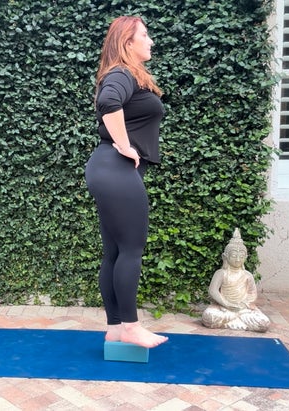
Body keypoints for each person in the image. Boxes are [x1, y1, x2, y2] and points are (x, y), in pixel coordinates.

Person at [85, 16, 168, 349]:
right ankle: (131, 327)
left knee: (115, 253)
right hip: (115, 167)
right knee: (131, 251)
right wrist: (124, 145)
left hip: (107, 169)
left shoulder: (129, 76)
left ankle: (116, 327)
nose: (151, 41)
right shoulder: (121, 73)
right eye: (144, 35)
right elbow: (108, 103)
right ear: (127, 42)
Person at [201, 229, 270, 332]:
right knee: (208, 317)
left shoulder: (247, 275)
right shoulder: (221, 273)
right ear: (225, 257)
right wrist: (226, 304)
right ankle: (236, 319)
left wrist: (244, 305)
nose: (238, 259)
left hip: (243, 309)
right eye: (233, 256)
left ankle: (233, 319)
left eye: (241, 256)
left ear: (245, 257)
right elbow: (213, 291)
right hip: (224, 307)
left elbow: (252, 294)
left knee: (263, 323)